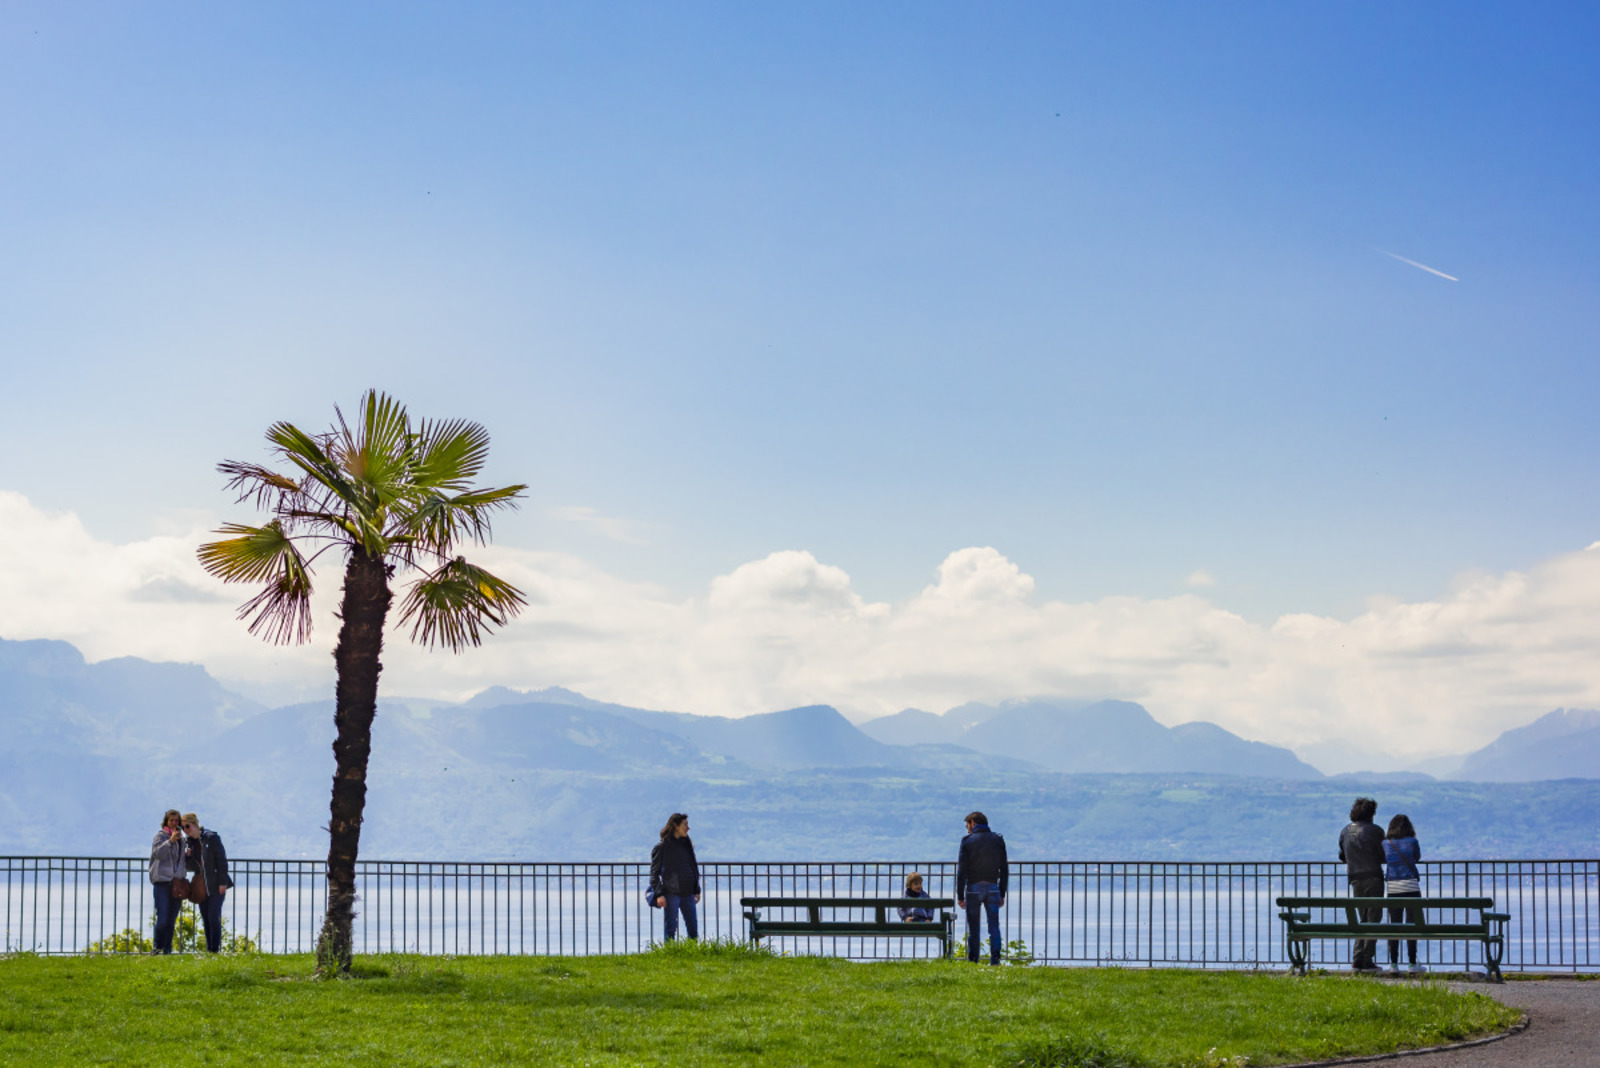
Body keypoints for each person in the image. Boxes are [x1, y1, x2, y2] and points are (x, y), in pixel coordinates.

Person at [1337, 797, 1385, 971]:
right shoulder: (1376, 831)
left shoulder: (1345, 831)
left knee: (1362, 919)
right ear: (1370, 813)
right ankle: (1366, 960)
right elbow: (1383, 855)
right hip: (1373, 877)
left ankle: (1357, 958)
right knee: (1373, 920)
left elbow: (1342, 856)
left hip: (1355, 878)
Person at [955, 811, 1008, 965]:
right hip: (992, 887)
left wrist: (960, 895)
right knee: (994, 926)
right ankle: (995, 960)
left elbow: (962, 870)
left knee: (974, 928)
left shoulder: (967, 841)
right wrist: (1002, 892)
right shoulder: (998, 840)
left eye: (967, 825)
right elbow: (1004, 869)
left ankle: (973, 960)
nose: (967, 829)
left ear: (973, 822)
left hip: (973, 887)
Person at [181, 813, 234, 953]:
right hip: (201, 886)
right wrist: (187, 858)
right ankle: (210, 949)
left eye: (187, 826)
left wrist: (223, 883)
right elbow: (192, 867)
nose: (186, 830)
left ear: (194, 824)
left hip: (216, 884)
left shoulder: (211, 838)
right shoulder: (189, 843)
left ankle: (215, 949)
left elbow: (222, 861)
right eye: (183, 828)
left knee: (213, 917)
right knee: (205, 917)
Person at [649, 813, 700, 942]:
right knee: (671, 928)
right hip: (671, 893)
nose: (688, 828)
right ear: (676, 826)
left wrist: (697, 890)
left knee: (693, 928)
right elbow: (654, 874)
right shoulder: (662, 848)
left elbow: (693, 868)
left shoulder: (687, 845)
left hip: (688, 893)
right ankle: (670, 955)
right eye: (685, 825)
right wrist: (659, 894)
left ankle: (694, 955)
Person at [1384, 813, 1424, 974]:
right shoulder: (1413, 842)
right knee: (1411, 926)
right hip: (1411, 887)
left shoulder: (1386, 843)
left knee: (1395, 926)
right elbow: (1417, 857)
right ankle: (1412, 964)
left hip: (1393, 888)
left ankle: (1393, 964)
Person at [148, 809, 186, 954]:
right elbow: (157, 854)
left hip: (176, 883)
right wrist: (170, 841)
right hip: (162, 883)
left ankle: (167, 949)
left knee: (171, 920)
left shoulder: (181, 840)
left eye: (177, 821)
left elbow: (180, 861)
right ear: (166, 822)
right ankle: (157, 947)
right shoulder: (161, 837)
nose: (174, 823)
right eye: (171, 820)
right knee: (162, 917)